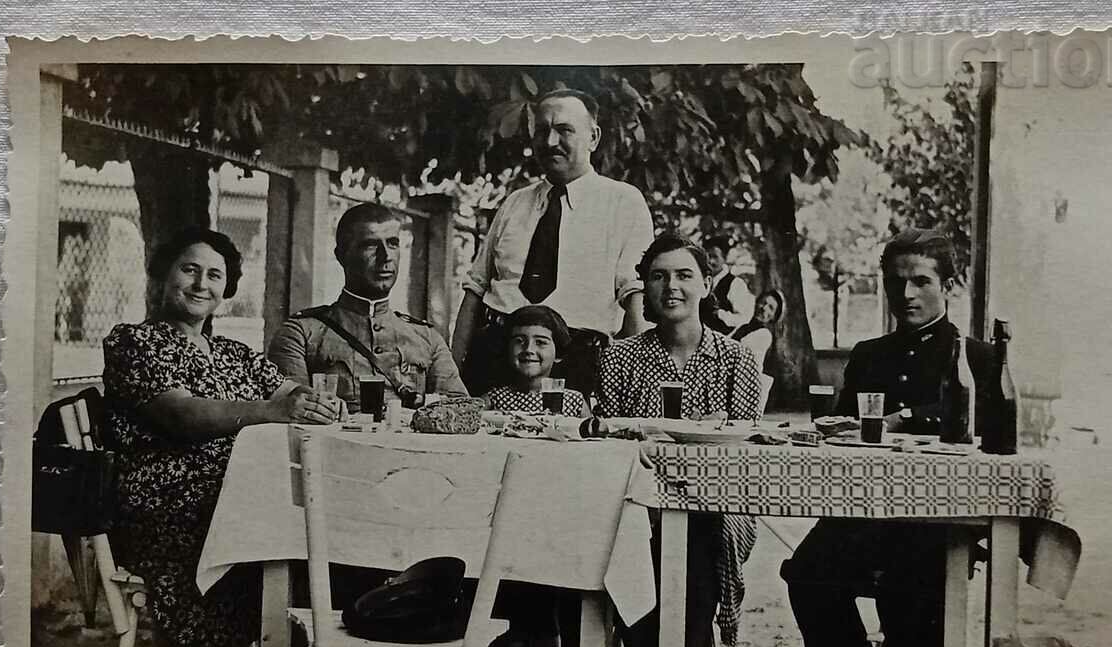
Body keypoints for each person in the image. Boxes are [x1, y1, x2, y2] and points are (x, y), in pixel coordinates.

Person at [780, 228, 995, 647]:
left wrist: (905, 419)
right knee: (807, 573)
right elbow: (843, 435)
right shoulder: (870, 355)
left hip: (936, 526)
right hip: (861, 520)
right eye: (896, 282)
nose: (906, 294)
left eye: (921, 281)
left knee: (919, 596)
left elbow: (993, 430)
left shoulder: (977, 358)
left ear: (949, 284)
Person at [102, 228, 336, 647]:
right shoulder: (135, 342)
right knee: (301, 520)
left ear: (225, 288)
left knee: (319, 511)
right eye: (189, 270)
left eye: (214, 275)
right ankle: (300, 645)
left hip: (234, 493)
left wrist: (314, 402)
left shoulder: (233, 352)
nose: (200, 284)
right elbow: (182, 414)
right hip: (171, 504)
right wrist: (272, 411)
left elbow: (289, 394)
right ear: (162, 276)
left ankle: (313, 646)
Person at [597, 233, 762, 647]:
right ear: (644, 288)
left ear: (706, 285)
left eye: (684, 275)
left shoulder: (736, 359)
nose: (672, 286)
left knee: (699, 536)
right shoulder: (620, 357)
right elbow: (612, 443)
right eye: (659, 276)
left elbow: (744, 447)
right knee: (630, 539)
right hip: (637, 505)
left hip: (716, 504)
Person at [451, 88, 655, 399]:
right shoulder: (515, 203)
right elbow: (475, 289)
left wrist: (634, 383)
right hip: (493, 357)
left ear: (593, 137)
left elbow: (634, 297)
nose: (549, 142)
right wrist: (452, 377)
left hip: (575, 364)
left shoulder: (624, 202)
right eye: (542, 131)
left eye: (564, 130)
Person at [481, 304, 588, 647]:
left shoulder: (572, 400)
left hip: (556, 515)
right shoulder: (492, 400)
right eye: (519, 341)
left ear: (557, 353)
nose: (529, 349)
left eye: (541, 342)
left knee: (549, 591)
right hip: (502, 516)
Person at [267, 202, 468, 411]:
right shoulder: (300, 334)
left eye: (392, 244)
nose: (386, 256)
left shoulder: (426, 338)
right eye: (370, 245)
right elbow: (295, 415)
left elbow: (460, 407)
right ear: (341, 255)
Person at [703, 233, 754, 334]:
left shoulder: (736, 284)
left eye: (715, 257)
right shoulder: (701, 281)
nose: (711, 261)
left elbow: (743, 319)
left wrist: (720, 314)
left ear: (724, 258)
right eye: (708, 256)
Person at [731, 288, 784, 368]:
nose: (764, 308)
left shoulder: (764, 335)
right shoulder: (744, 325)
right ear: (757, 303)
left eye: (770, 308)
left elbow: (739, 350)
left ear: (773, 317)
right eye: (763, 303)